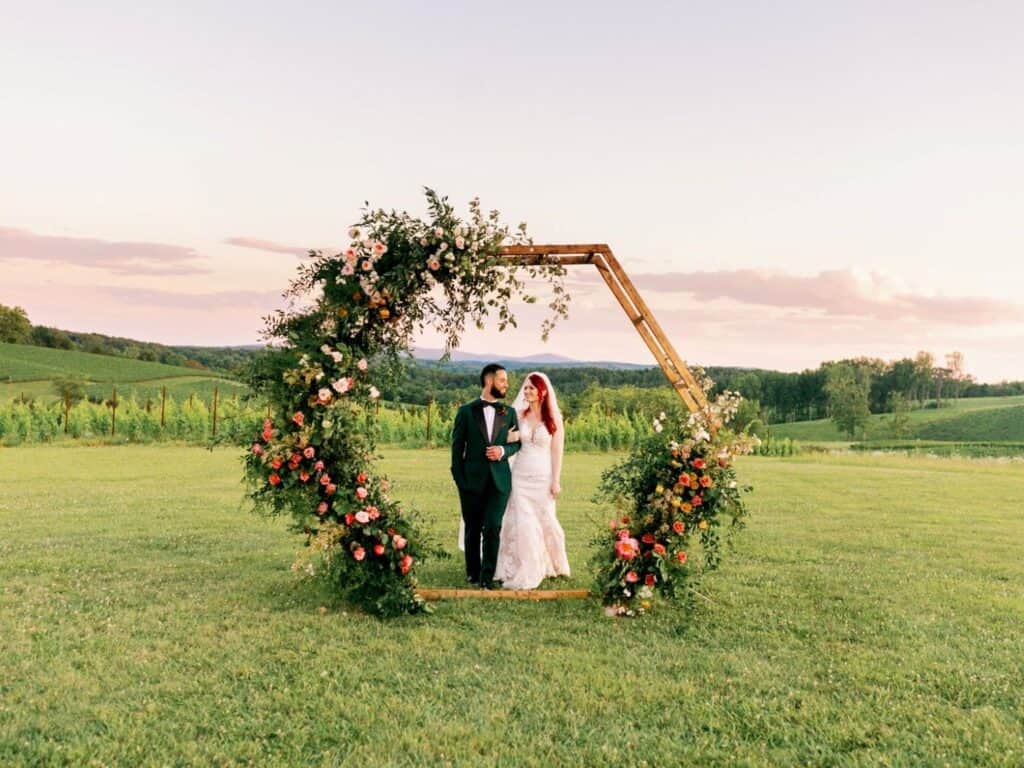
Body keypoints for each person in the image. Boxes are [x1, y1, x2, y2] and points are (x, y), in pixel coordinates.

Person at [493, 371, 571, 590]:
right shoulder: (518, 415)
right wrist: (513, 437)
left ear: (542, 392)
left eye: (531, 388)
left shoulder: (554, 419)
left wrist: (555, 480)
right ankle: (523, 566)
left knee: (545, 519)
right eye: (525, 388)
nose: (527, 391)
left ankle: (551, 563)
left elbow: (557, 452)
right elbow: (506, 439)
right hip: (520, 476)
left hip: (543, 476)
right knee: (523, 522)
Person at [450, 363, 521, 589]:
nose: (506, 385)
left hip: (499, 481)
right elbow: (456, 448)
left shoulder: (509, 413)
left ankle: (487, 577)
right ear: (489, 381)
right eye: (502, 380)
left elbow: (517, 443)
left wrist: (502, 451)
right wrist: (460, 480)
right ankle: (472, 572)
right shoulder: (466, 412)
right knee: (473, 528)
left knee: (492, 526)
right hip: (471, 481)